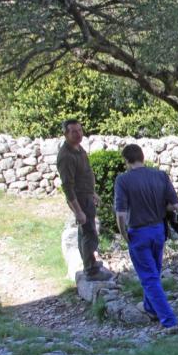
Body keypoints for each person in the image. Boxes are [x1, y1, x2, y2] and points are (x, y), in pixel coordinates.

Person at [114, 144, 178, 328]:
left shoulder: (123, 180)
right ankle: (150, 308)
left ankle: (169, 320)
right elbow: (175, 205)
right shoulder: (160, 175)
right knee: (154, 272)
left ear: (126, 160)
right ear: (142, 157)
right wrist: (160, 208)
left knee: (149, 278)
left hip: (138, 231)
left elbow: (120, 213)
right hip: (158, 230)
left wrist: (123, 233)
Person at [56, 119, 110, 281]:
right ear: (66, 134)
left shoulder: (79, 149)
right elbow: (68, 186)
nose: (78, 134)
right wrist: (78, 210)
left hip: (87, 196)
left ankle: (90, 262)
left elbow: (86, 173)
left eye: (80, 130)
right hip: (80, 199)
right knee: (89, 233)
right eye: (74, 131)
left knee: (86, 231)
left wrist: (93, 192)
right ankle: (90, 270)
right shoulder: (66, 156)